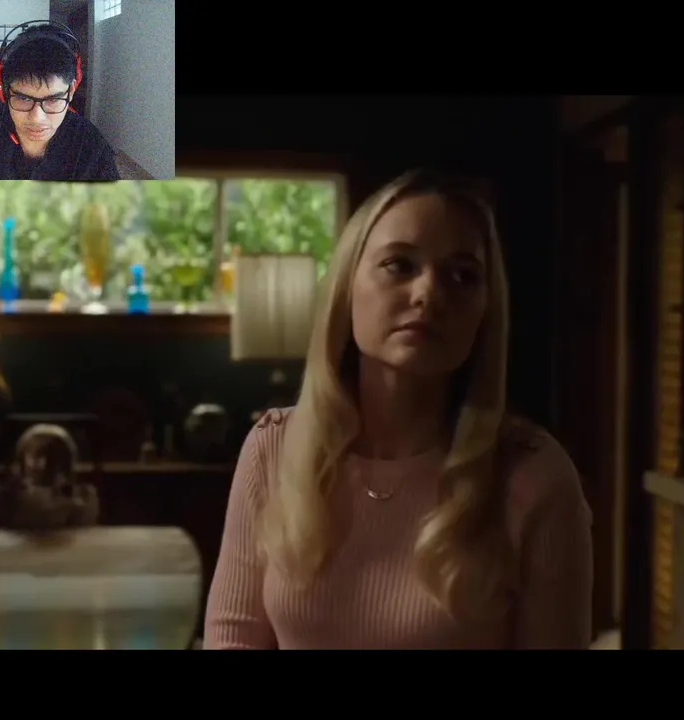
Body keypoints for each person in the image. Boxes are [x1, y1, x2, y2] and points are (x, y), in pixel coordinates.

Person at [204, 170, 593, 649]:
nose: (428, 293)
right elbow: (233, 638)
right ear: (347, 289)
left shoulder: (534, 476)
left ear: (486, 311)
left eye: (463, 275)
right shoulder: (273, 449)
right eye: (399, 265)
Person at [0, 34, 119, 181]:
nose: (37, 117)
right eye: (23, 98)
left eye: (53, 99)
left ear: (70, 92)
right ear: (4, 92)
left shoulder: (91, 145)